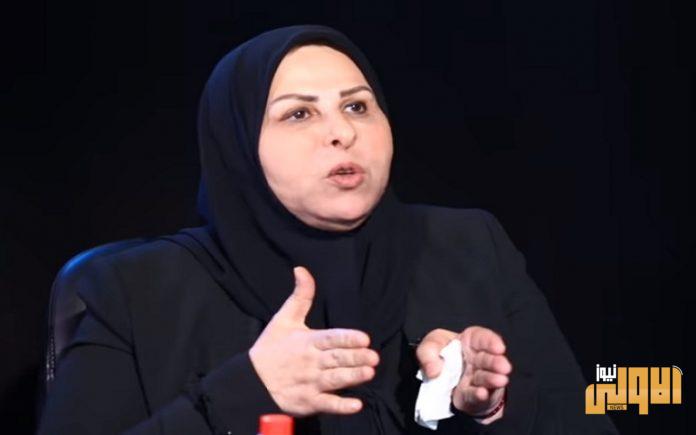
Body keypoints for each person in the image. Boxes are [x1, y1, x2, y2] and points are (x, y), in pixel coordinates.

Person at [38, 25, 618, 434]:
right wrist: (246, 393)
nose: (342, 132)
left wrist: (488, 409)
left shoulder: (469, 245)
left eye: (358, 106)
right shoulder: (136, 290)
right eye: (299, 113)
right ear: (237, 147)